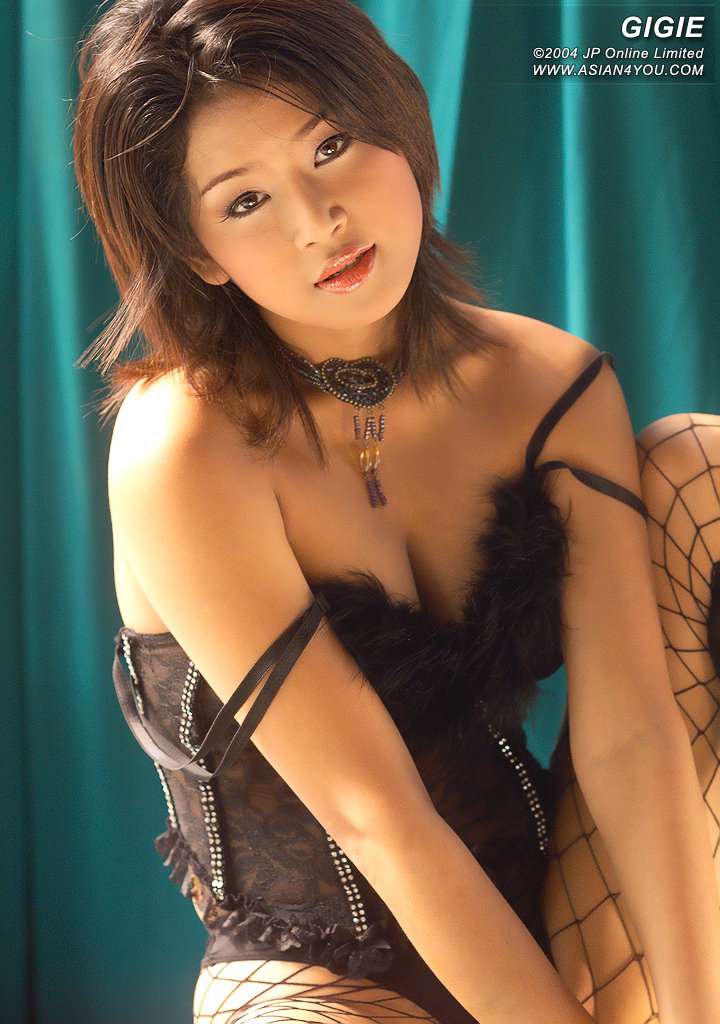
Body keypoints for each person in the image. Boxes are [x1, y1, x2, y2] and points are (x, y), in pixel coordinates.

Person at [72, 1, 720, 1021]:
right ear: (198, 252)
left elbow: (633, 738)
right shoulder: (184, 448)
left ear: (396, 122)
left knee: (699, 463)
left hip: (564, 915)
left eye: (330, 146)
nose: (317, 220)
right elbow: (376, 815)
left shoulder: (549, 385)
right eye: (246, 201)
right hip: (322, 972)